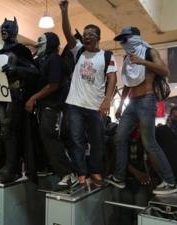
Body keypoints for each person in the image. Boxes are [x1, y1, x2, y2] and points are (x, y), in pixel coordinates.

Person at [106, 26, 177, 195]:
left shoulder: (149, 51)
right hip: (132, 102)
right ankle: (119, 177)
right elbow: (128, 83)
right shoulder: (127, 58)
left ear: (135, 37)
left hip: (147, 99)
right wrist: (120, 105)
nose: (123, 42)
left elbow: (165, 71)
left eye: (126, 38)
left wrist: (143, 62)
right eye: (121, 40)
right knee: (119, 137)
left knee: (149, 143)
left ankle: (170, 181)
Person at [59, 0, 117, 185]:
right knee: (76, 140)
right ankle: (81, 172)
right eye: (84, 35)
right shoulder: (79, 51)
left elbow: (113, 78)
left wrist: (107, 100)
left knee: (97, 140)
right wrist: (64, 11)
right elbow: (68, 34)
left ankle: (95, 170)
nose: (86, 37)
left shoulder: (107, 56)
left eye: (90, 34)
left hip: (95, 105)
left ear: (98, 37)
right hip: (75, 104)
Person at [26, 32, 78, 187]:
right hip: (47, 106)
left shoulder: (54, 60)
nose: (38, 47)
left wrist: (34, 97)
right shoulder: (45, 60)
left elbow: (53, 84)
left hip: (54, 106)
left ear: (50, 44)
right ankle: (59, 170)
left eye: (41, 44)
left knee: (51, 137)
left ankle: (69, 174)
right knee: (47, 137)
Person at [0, 17, 39, 183]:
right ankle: (9, 166)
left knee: (9, 131)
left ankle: (12, 168)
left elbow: (35, 72)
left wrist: (17, 69)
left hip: (16, 94)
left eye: (7, 26)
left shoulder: (21, 50)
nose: (4, 28)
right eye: (3, 26)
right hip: (1, 95)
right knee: (4, 132)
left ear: (14, 30)